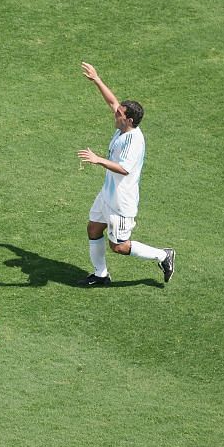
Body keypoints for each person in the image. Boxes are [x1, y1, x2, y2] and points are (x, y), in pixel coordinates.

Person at [77, 62, 175, 285]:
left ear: (129, 120)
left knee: (119, 246)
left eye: (120, 114)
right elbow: (112, 101)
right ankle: (101, 274)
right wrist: (97, 79)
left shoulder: (134, 141)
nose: (115, 113)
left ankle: (163, 255)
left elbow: (124, 168)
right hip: (107, 194)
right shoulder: (124, 126)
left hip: (121, 202)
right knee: (93, 228)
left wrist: (98, 159)